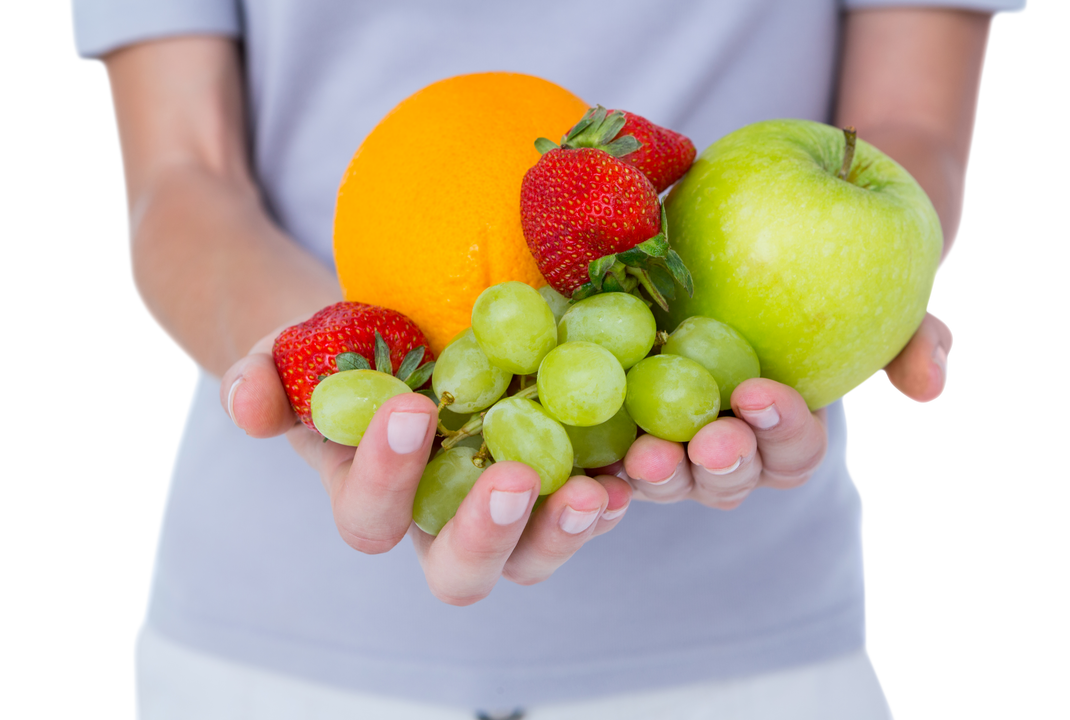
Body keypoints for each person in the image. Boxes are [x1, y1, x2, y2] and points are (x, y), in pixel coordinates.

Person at [68, 0, 1026, 717]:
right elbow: (182, 175)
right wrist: (313, 364)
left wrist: (875, 282)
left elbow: (911, 133)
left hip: (744, 651)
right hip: (266, 650)